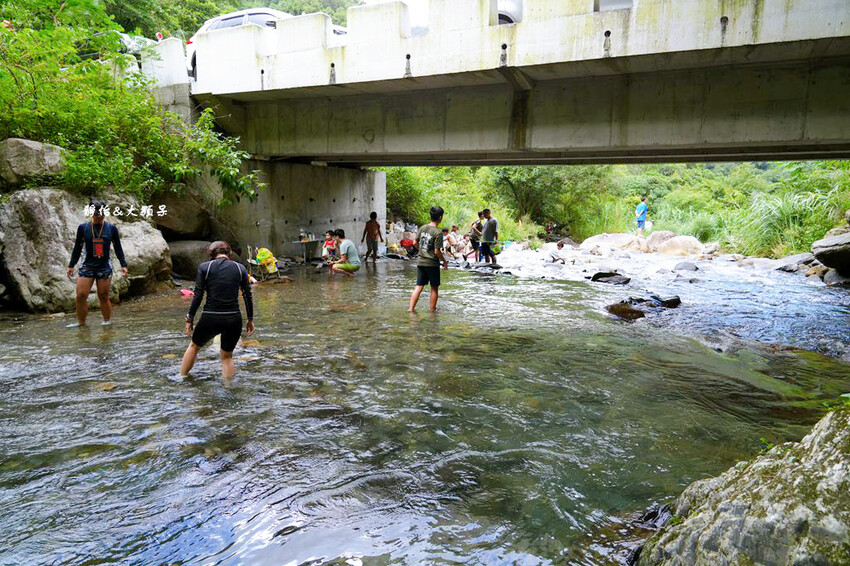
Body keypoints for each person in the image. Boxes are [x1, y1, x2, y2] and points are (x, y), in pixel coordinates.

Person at [179, 241, 254, 381]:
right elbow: (247, 295)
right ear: (229, 254)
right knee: (226, 357)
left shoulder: (205, 268)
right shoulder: (240, 268)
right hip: (233, 318)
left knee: (194, 346)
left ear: (211, 254)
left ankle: (181, 378)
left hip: (210, 317)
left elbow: (198, 294)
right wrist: (250, 319)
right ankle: (228, 388)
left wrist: (190, 318)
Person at [66, 199, 129, 327]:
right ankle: (81, 323)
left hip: (104, 266)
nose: (99, 217)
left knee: (103, 296)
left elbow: (118, 247)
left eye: (101, 214)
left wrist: (123, 265)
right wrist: (71, 265)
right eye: (96, 214)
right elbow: (77, 247)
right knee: (81, 295)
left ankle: (107, 322)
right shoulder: (83, 228)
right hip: (87, 265)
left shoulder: (111, 229)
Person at [408, 206, 448, 313]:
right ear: (440, 217)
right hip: (432, 264)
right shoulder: (438, 232)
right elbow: (437, 252)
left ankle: (411, 309)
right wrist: (444, 261)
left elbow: (415, 243)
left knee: (419, 286)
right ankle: (431, 311)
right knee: (434, 288)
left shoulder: (423, 228)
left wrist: (422, 250)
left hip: (421, 262)